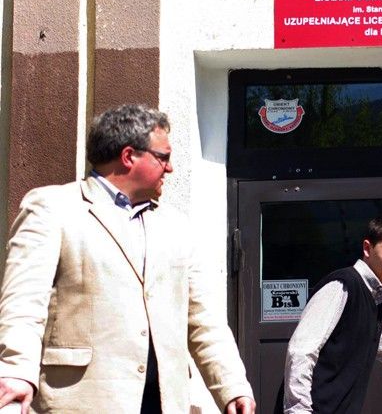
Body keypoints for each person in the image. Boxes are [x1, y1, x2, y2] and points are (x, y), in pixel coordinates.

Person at [0, 104, 256, 414]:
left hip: (163, 403)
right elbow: (24, 302)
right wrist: (16, 371)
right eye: (163, 157)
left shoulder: (175, 225)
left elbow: (204, 319)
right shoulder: (53, 208)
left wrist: (232, 387)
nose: (170, 168)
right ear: (129, 156)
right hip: (82, 400)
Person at [283, 216, 382, 413]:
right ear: (368, 248)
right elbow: (301, 351)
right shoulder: (342, 286)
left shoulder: (376, 301)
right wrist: (299, 411)